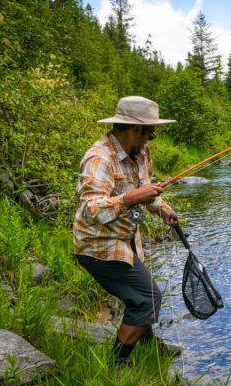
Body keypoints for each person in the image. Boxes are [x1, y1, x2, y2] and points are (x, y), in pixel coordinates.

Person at [73, 96, 180, 367]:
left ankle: (148, 345)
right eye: (150, 132)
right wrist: (131, 198)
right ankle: (117, 364)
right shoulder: (99, 158)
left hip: (128, 240)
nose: (151, 138)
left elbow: (145, 191)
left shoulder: (140, 154)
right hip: (97, 246)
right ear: (136, 130)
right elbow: (91, 210)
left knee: (142, 295)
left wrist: (164, 209)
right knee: (147, 298)